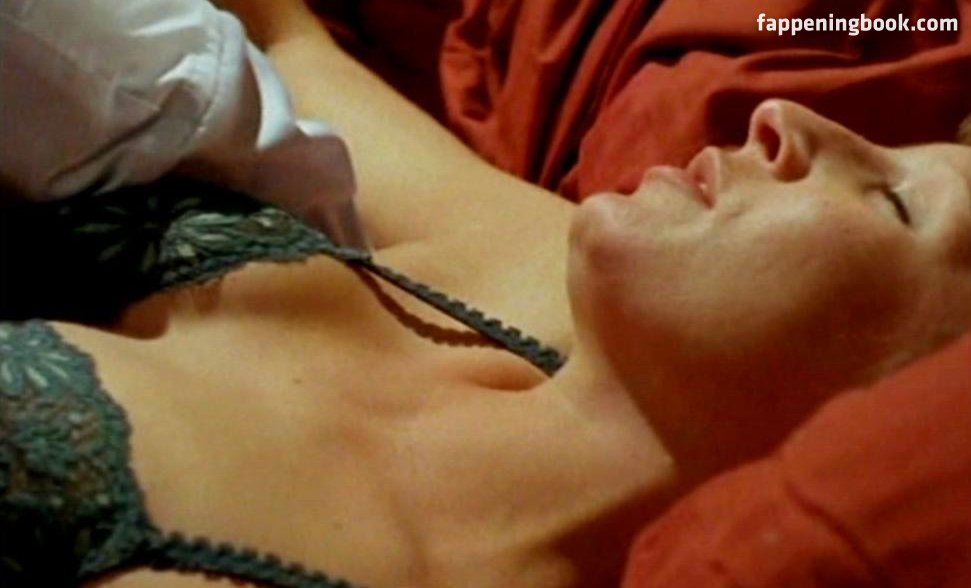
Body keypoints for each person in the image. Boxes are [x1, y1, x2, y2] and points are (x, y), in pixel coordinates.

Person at [2, 2, 971, 587]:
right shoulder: (541, 276)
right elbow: (288, 42)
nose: (786, 121)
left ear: (893, 417)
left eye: (890, 201)